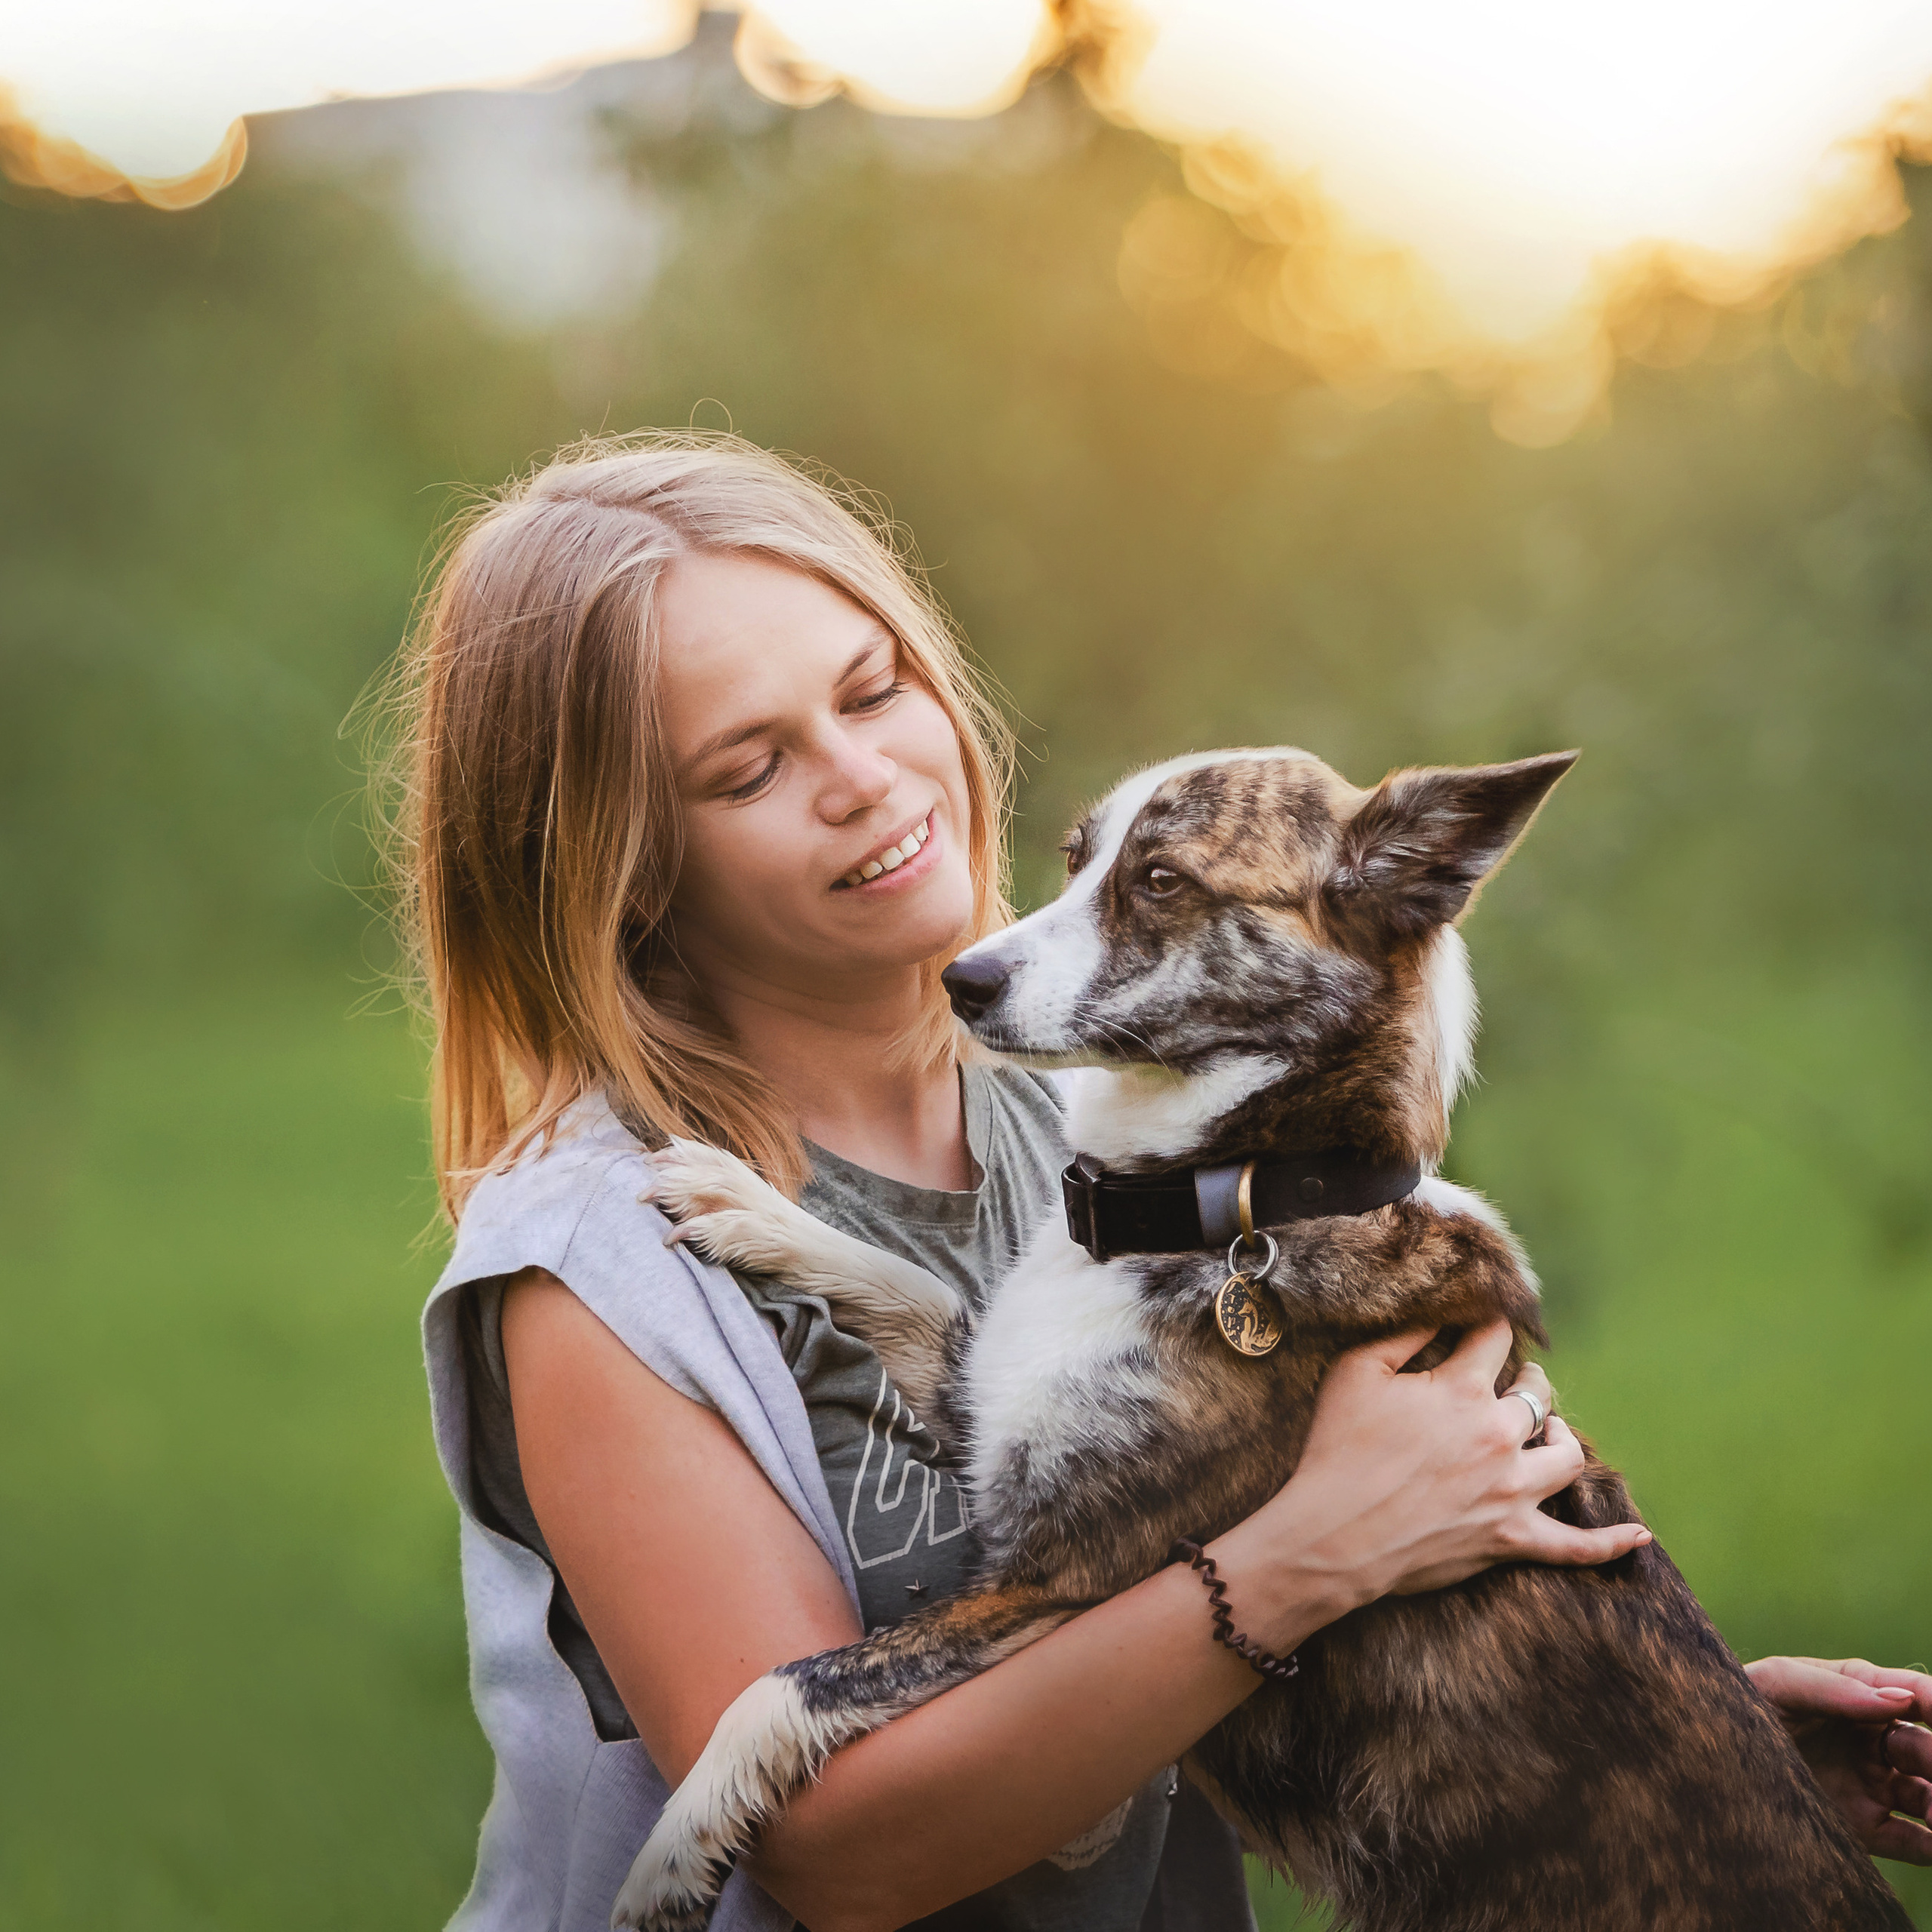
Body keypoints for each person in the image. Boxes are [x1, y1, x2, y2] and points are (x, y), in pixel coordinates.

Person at [393, 432, 1932, 1932]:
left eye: (872, 688)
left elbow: (1176, 1615)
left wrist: (1668, 1771)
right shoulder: (602, 1264)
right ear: (619, 862)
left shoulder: (1116, 1130)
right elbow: (835, 1857)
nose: (863, 774)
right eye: (749, 764)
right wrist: (1299, 1557)